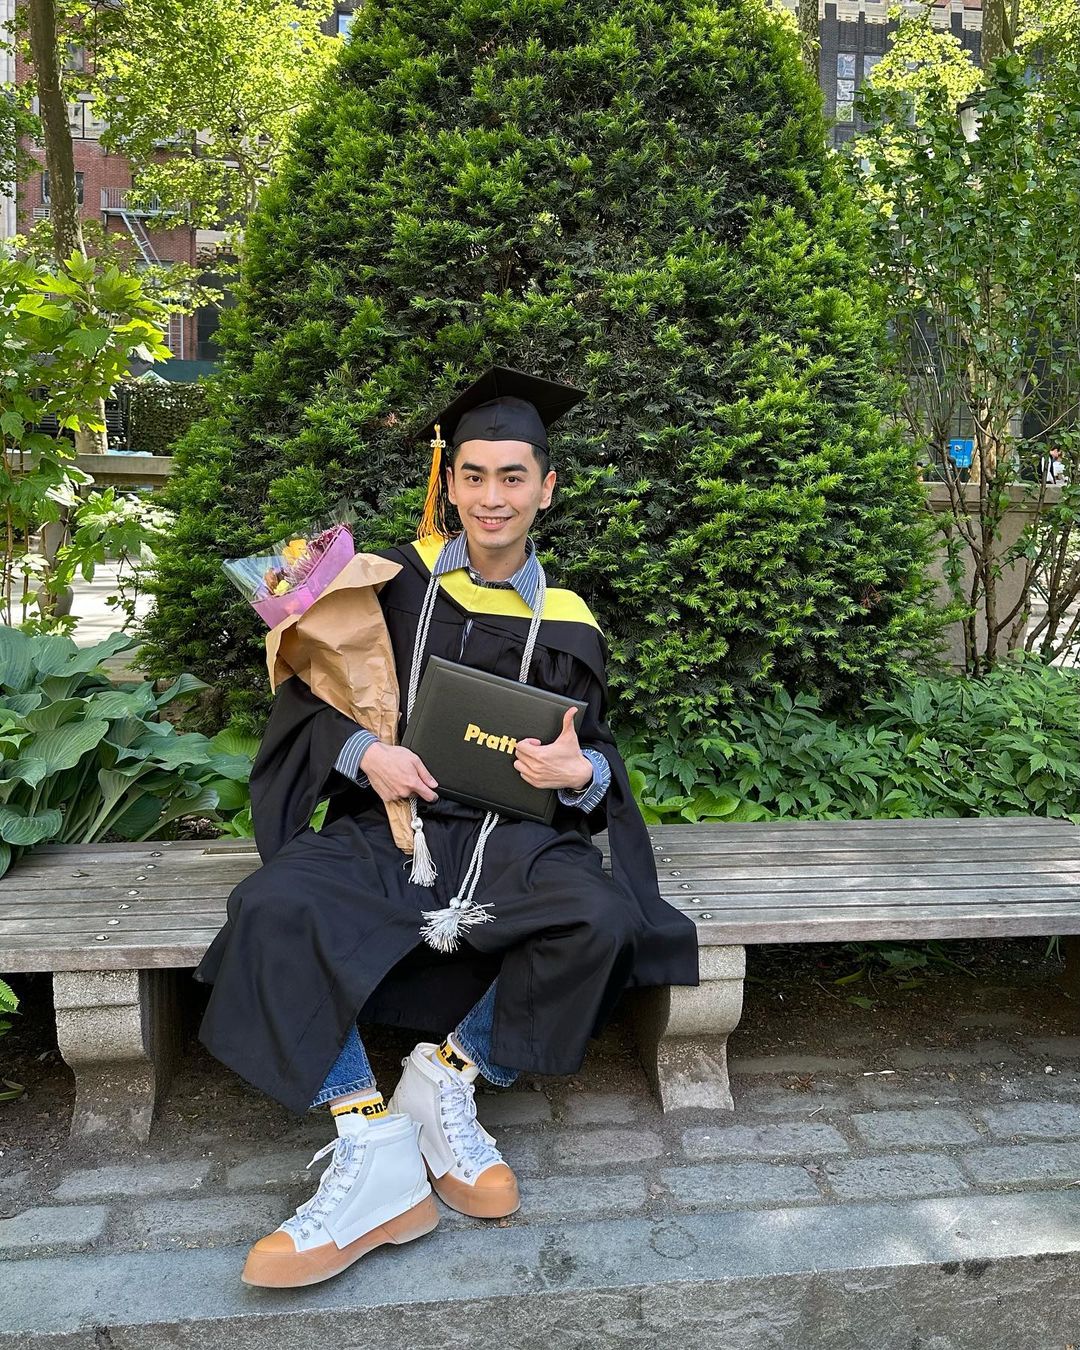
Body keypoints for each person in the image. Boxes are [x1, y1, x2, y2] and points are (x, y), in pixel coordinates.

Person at [193, 367, 699, 1289]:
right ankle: (368, 1132)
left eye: (513, 477)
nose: (492, 497)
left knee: (606, 922)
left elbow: (600, 759)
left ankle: (450, 1075)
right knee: (271, 906)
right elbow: (309, 699)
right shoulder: (387, 585)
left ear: (548, 487)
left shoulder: (575, 624)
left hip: (510, 839)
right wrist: (361, 754)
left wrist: (578, 774)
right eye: (474, 475)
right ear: (449, 480)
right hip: (390, 821)